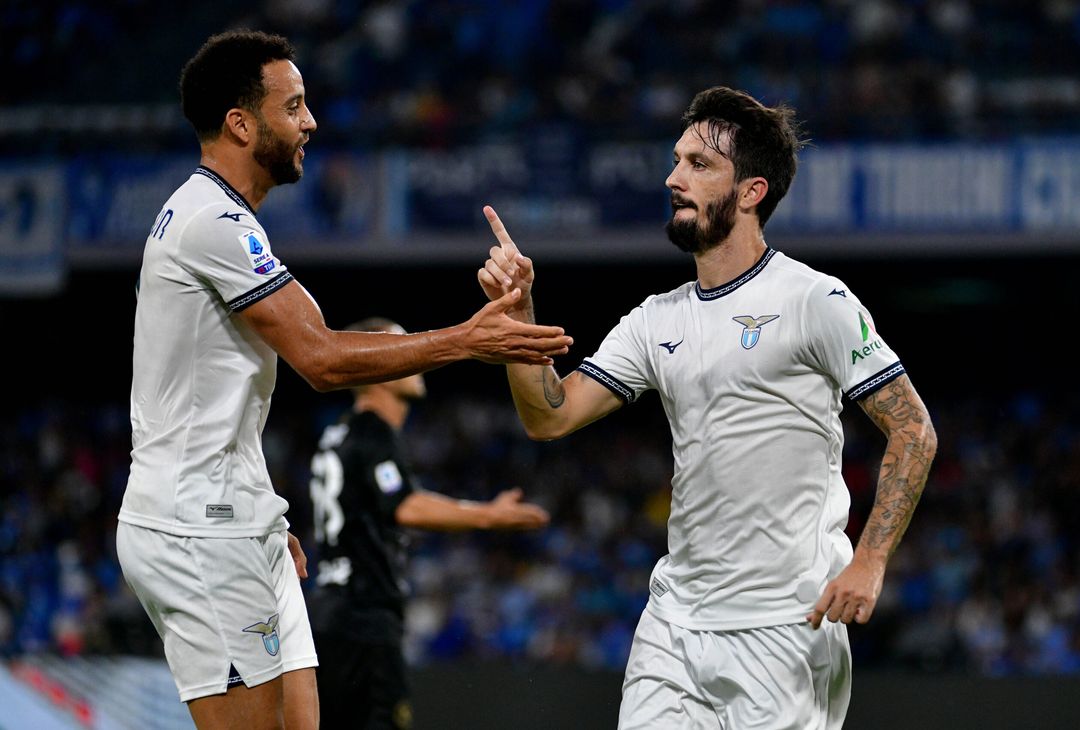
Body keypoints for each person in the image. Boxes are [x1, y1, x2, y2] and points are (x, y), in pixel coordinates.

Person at [115, 30, 571, 730]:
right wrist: (466, 340)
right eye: (293, 106)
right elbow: (322, 359)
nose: (311, 121)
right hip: (197, 526)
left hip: (239, 515)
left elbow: (214, 394)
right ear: (241, 122)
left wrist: (257, 502)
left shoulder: (222, 219)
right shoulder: (212, 222)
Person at [477, 86, 937, 729]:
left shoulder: (816, 300)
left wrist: (870, 559)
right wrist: (517, 320)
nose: (673, 178)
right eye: (676, 160)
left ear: (751, 192)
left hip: (785, 624)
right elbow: (549, 416)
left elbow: (913, 430)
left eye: (699, 164)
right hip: (674, 622)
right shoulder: (654, 320)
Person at [305, 317, 551, 729]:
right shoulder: (373, 431)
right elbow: (405, 506)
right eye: (403, 347)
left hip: (331, 613)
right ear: (380, 363)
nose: (414, 359)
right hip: (364, 618)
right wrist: (487, 515)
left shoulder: (340, 432)